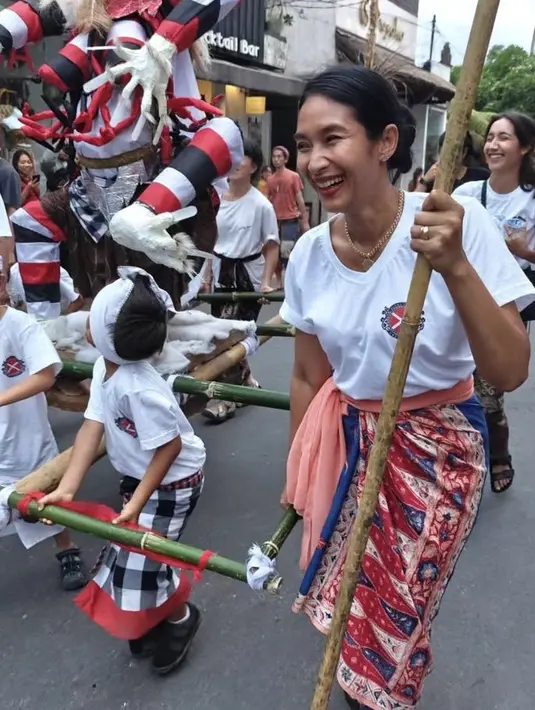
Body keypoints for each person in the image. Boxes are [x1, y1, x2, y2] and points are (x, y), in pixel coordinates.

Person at [280, 65, 533, 710]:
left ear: (385, 142)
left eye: (333, 139)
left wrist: (453, 265)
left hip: (438, 450)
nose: (315, 160)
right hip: (347, 445)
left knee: (392, 617)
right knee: (346, 604)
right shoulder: (308, 252)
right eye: (305, 144)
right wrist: (299, 477)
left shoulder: (456, 222)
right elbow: (311, 374)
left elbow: (508, 371)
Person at [39, 268, 206, 675]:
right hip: (141, 477)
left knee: (145, 558)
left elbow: (171, 446)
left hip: (173, 482)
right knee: (134, 555)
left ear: (101, 333)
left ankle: (181, 619)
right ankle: (152, 616)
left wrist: (139, 502)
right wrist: (68, 487)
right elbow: (92, 425)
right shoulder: (105, 368)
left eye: (93, 312)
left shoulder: (139, 388)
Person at [452, 111, 535, 494]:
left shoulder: (531, 200)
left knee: (488, 392)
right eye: (490, 137)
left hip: (502, 307)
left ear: (525, 148)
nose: (493, 144)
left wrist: (524, 251)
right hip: (457, 303)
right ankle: (459, 458)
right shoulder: (467, 194)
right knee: (453, 386)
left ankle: (498, 454)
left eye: (504, 137)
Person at [0, 263, 88, 590]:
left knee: (42, 497)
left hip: (25, 434)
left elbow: (45, 376)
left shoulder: (20, 326)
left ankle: (67, 549)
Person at [202, 139, 279, 423]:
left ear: (254, 166)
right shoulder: (216, 198)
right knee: (219, 334)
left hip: (248, 277)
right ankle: (245, 380)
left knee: (229, 338)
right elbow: (211, 242)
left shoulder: (261, 205)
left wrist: (266, 283)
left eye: (242, 158)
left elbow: (272, 245)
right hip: (221, 274)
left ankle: (223, 398)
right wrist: (206, 274)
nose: (234, 164)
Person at [268, 145, 310, 288]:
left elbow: (300, 199)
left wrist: (305, 221)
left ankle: (290, 279)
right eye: (274, 156)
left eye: (280, 156)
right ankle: (279, 281)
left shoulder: (293, 176)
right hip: (275, 220)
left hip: (290, 219)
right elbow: (269, 200)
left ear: (285, 159)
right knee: (275, 252)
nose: (277, 159)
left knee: (287, 250)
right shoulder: (270, 179)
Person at [416, 131, 489, 193]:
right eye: (445, 151)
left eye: (455, 152)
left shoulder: (481, 176)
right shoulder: (433, 175)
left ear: (464, 153)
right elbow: (413, 203)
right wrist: (425, 181)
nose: (450, 156)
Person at [8, 261, 84, 314]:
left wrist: (61, 323)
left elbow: (77, 301)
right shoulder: (12, 274)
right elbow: (17, 304)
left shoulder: (42, 270)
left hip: (61, 314)